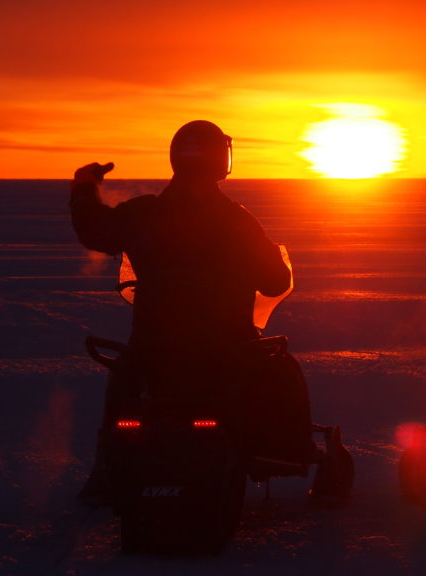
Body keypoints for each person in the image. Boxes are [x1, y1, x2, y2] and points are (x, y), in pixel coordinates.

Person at [70, 120, 310, 505]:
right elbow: (275, 282)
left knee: (126, 379)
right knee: (280, 372)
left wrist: (84, 188)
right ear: (222, 160)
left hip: (155, 348)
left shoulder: (144, 213)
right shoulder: (237, 221)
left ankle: (107, 470)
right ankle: (281, 454)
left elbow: (96, 231)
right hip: (226, 349)